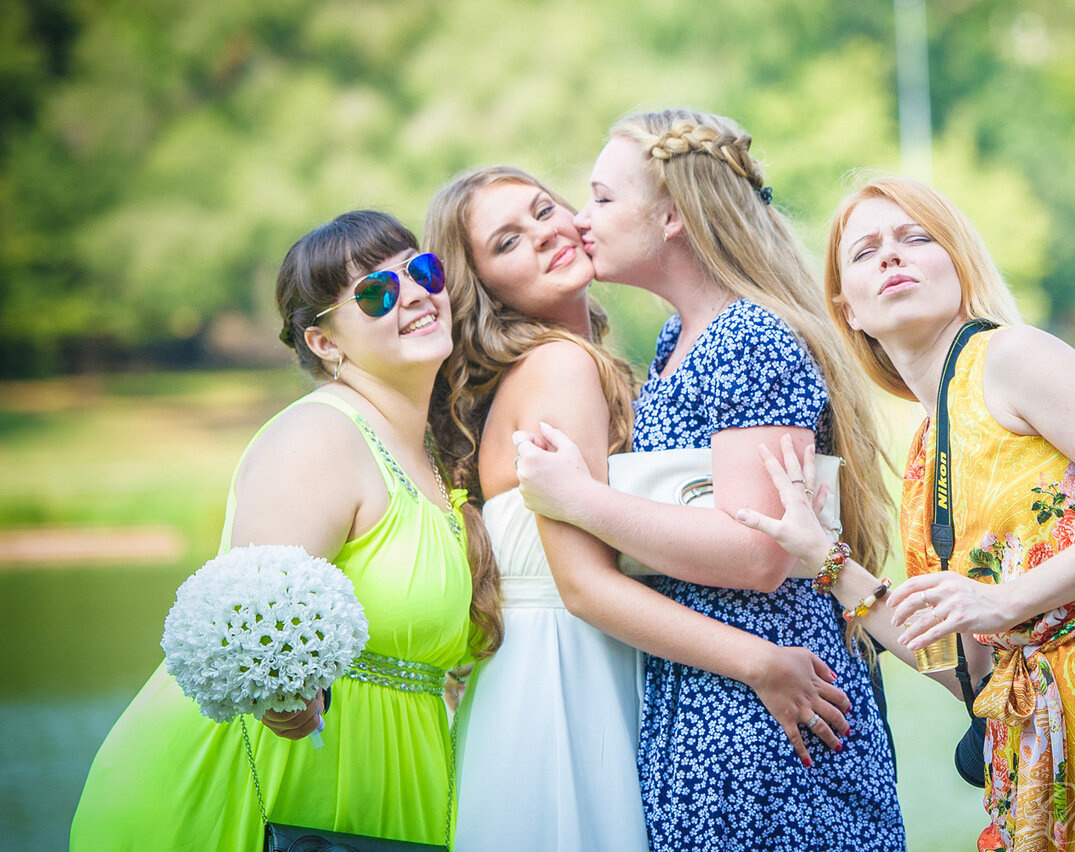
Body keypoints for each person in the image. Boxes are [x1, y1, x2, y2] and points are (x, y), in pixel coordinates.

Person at [745, 173, 1075, 851]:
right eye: (866, 251)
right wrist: (825, 558)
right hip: (1034, 748)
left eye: (914, 238)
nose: (890, 255)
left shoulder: (1012, 356)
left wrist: (1005, 599)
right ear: (849, 312)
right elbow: (962, 667)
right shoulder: (927, 445)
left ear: (959, 264)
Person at [424, 166, 858, 851]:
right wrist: (760, 662)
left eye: (544, 210)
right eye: (507, 242)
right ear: (483, 288)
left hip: (591, 661)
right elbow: (584, 587)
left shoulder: (601, 361)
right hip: (566, 676)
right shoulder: (562, 368)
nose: (544, 234)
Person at [513, 110, 906, 851]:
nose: (580, 218)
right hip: (706, 692)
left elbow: (759, 553)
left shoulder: (748, 335)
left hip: (768, 716)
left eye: (602, 197)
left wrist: (579, 499)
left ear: (671, 217)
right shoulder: (678, 339)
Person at [70, 210, 501, 850]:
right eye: (377, 293)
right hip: (247, 801)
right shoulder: (321, 437)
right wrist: (289, 696)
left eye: (422, 271)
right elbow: (253, 624)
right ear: (325, 343)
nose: (413, 293)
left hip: (378, 797)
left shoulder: (433, 454)